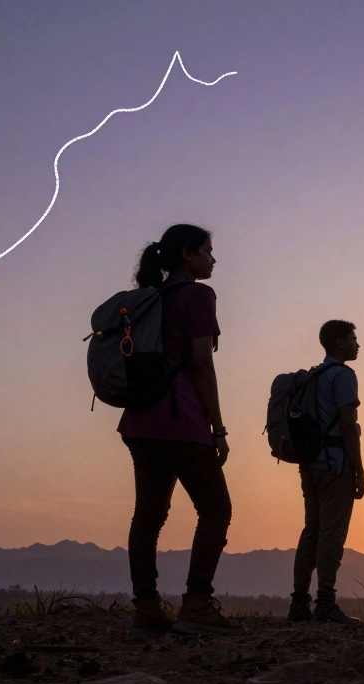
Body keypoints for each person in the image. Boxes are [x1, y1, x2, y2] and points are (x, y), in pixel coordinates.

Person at [117, 223, 240, 636]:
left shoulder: (150, 299)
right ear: (188, 254)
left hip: (140, 421)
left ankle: (147, 608)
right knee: (216, 509)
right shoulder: (198, 295)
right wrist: (218, 428)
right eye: (207, 250)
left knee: (148, 516)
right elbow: (202, 365)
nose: (213, 258)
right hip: (181, 420)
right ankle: (197, 604)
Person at [289, 320, 364, 624]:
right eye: (352, 339)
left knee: (312, 531)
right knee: (331, 535)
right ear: (338, 343)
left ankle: (299, 603)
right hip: (335, 465)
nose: (357, 344)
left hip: (310, 466)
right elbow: (348, 426)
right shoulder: (343, 376)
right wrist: (358, 471)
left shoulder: (313, 376)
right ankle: (325, 604)